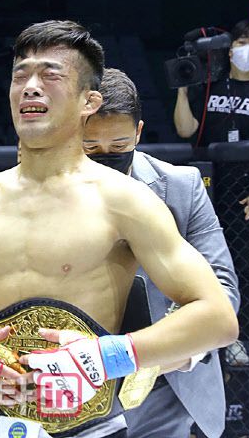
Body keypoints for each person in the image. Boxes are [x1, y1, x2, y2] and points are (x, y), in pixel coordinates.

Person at [0, 20, 238, 438]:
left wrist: (109, 357)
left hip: (96, 426)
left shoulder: (126, 201)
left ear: (89, 100)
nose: (31, 87)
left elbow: (218, 317)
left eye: (50, 75)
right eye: (20, 75)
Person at [82, 67, 239, 438]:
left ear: (138, 132)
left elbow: (223, 288)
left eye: (119, 146)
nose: (107, 156)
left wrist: (179, 350)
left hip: (164, 379)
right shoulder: (43, 192)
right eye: (91, 148)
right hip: (76, 379)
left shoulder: (181, 187)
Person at [173, 19, 249, 344]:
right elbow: (185, 129)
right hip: (206, 195)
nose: (247, 50)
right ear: (229, 49)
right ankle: (199, 335)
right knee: (197, 268)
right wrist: (183, 87)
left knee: (243, 270)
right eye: (241, 43)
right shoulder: (209, 88)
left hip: (245, 198)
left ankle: (239, 337)